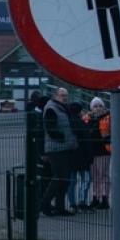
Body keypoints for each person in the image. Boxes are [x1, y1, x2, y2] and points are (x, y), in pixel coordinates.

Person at [41, 87, 77, 216]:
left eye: (66, 95)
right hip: (56, 148)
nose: (65, 97)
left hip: (65, 147)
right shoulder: (51, 108)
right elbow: (50, 128)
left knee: (64, 179)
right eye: (62, 95)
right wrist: (61, 137)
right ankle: (44, 203)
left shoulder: (63, 108)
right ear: (55, 96)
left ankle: (60, 207)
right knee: (59, 177)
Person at [83, 98, 110, 210]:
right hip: (92, 151)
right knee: (95, 176)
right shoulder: (88, 119)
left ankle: (104, 198)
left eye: (99, 105)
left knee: (103, 175)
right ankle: (95, 197)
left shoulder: (107, 118)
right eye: (95, 106)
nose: (98, 108)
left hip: (103, 151)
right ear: (91, 108)